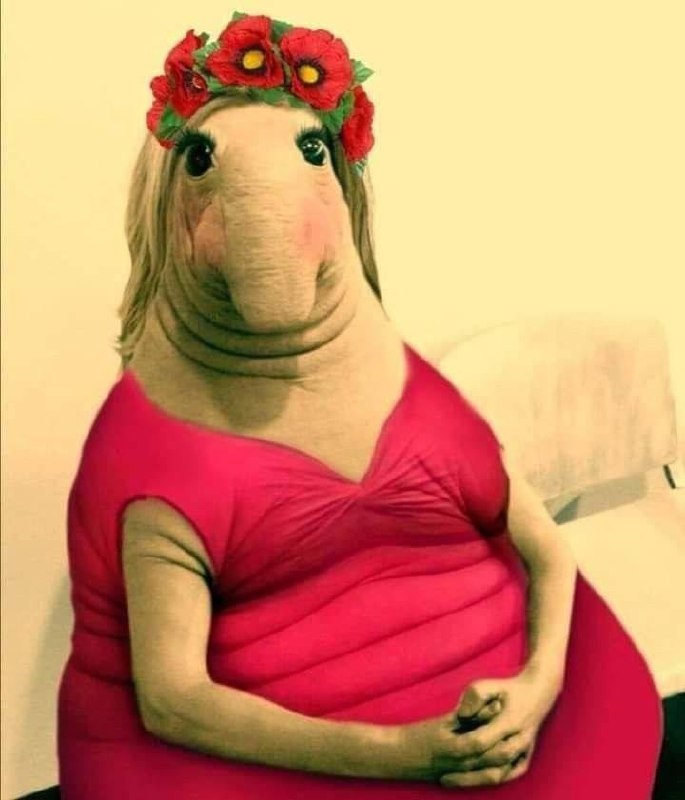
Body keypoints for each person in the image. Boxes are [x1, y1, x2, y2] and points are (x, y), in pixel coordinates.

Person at [57, 12, 662, 798]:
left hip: (502, 700)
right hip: (303, 755)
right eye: (200, 159)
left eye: (313, 150)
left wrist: (537, 687)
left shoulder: (405, 381)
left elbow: (544, 545)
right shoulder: (155, 451)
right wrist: (407, 752)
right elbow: (172, 700)